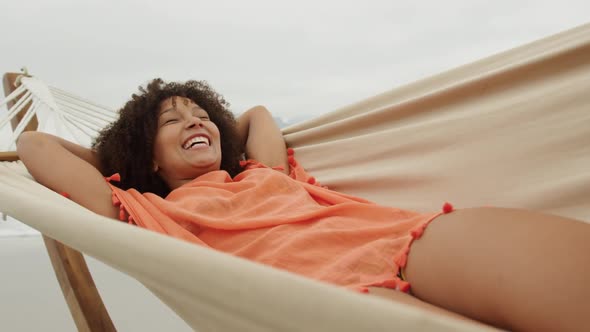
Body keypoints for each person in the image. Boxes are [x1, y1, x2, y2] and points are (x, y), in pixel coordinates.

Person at [16, 78, 589, 331]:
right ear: (144, 157)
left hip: (403, 243)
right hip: (322, 301)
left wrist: (204, 128)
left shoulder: (261, 170)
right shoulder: (140, 209)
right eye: (171, 121)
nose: (193, 120)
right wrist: (131, 159)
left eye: (200, 114)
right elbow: (34, 145)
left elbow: (258, 115)